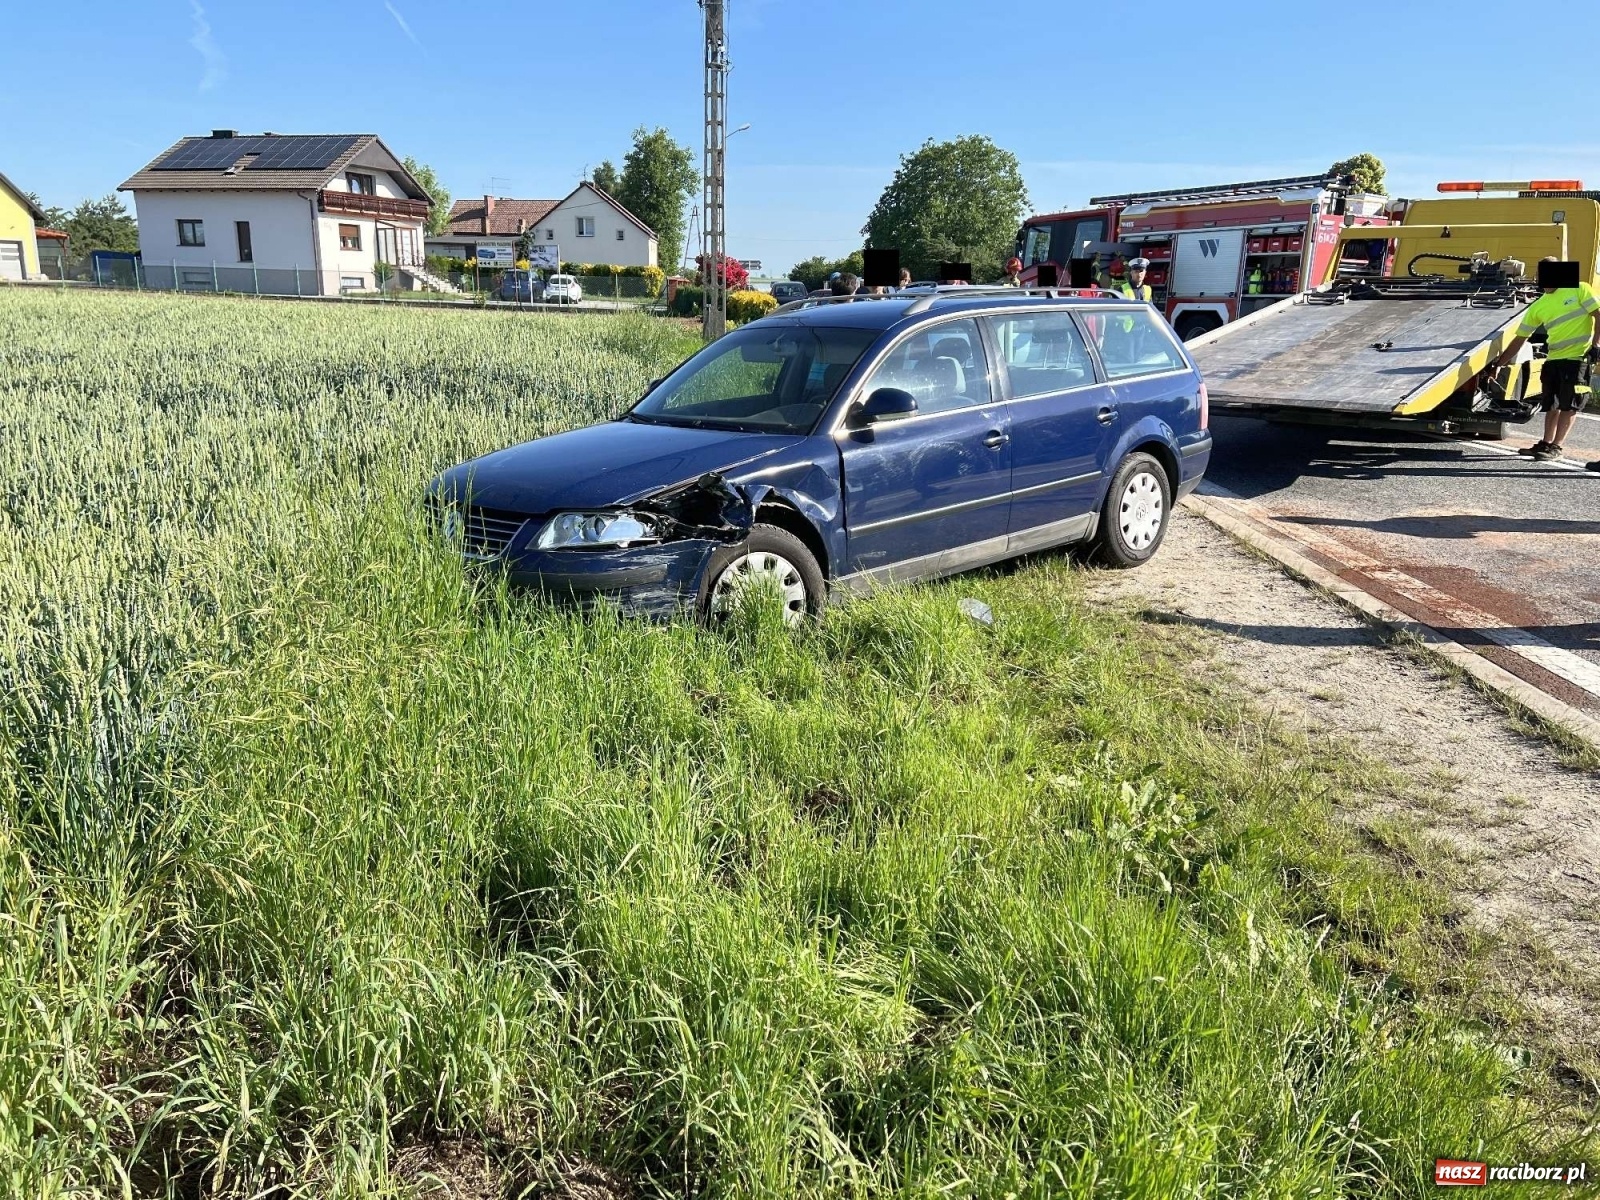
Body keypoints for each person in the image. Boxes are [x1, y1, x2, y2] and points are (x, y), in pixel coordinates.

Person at [1490, 260, 1600, 461]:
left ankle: (1556, 446)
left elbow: (1598, 315)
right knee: (1551, 404)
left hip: (1577, 358)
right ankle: (1546, 443)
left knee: (1570, 404)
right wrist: (1500, 363)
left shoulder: (1579, 289)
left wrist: (1596, 345)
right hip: (1554, 359)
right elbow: (1520, 338)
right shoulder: (1538, 305)